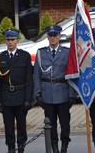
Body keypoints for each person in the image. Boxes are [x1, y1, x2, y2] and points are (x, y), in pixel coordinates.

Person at [34, 25, 76, 153]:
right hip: (47, 93)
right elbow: (37, 75)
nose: (52, 38)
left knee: (65, 123)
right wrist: (38, 93)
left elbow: (72, 74)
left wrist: (72, 94)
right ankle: (54, 147)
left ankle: (64, 146)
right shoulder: (41, 53)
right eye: (50, 36)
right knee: (50, 124)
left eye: (55, 36)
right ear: (47, 37)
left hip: (63, 92)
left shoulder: (67, 52)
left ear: (59, 37)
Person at [0, 28, 33, 153]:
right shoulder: (0, 57)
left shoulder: (24, 56)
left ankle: (21, 149)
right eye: (8, 40)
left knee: (22, 127)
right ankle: (11, 149)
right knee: (9, 127)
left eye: (13, 40)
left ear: (17, 40)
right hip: (6, 98)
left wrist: (28, 99)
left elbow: (29, 79)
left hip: (21, 96)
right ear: (5, 41)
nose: (10, 42)